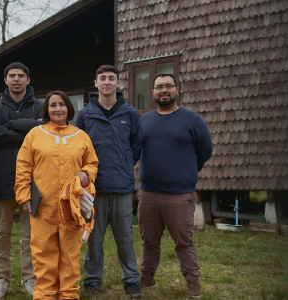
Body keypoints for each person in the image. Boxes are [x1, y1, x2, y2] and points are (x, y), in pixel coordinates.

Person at [15, 90, 99, 300]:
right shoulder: (35, 134)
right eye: (53, 105)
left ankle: (68, 295)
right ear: (47, 110)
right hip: (42, 207)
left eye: (61, 104)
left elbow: (92, 163)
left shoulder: (81, 136)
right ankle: (44, 294)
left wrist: (86, 174)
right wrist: (24, 196)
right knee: (43, 255)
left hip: (72, 208)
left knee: (70, 255)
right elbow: (23, 167)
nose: (57, 109)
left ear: (69, 108)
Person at [136, 74, 213, 298]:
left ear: (177, 89)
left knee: (184, 242)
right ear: (153, 93)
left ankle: (192, 283)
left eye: (168, 86)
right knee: (149, 241)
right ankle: (147, 278)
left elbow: (205, 150)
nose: (164, 90)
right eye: (159, 87)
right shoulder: (144, 121)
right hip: (148, 193)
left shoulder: (192, 119)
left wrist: (188, 170)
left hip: (179, 195)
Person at [75, 65, 144, 298]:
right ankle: (92, 281)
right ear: (96, 83)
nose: (107, 82)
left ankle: (132, 281)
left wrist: (125, 164)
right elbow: (78, 149)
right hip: (93, 188)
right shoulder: (84, 114)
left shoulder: (129, 113)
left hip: (122, 186)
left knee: (125, 236)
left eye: (111, 78)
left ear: (118, 83)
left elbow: (136, 146)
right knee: (94, 237)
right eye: (102, 78)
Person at [0, 62, 45, 300]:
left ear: (28, 80)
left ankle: (29, 279)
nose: (17, 79)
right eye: (12, 75)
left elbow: (45, 132)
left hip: (35, 179)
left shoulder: (40, 105)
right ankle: (1, 280)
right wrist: (29, 130)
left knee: (32, 234)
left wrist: (11, 125)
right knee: (2, 232)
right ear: (6, 80)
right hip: (2, 177)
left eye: (21, 75)